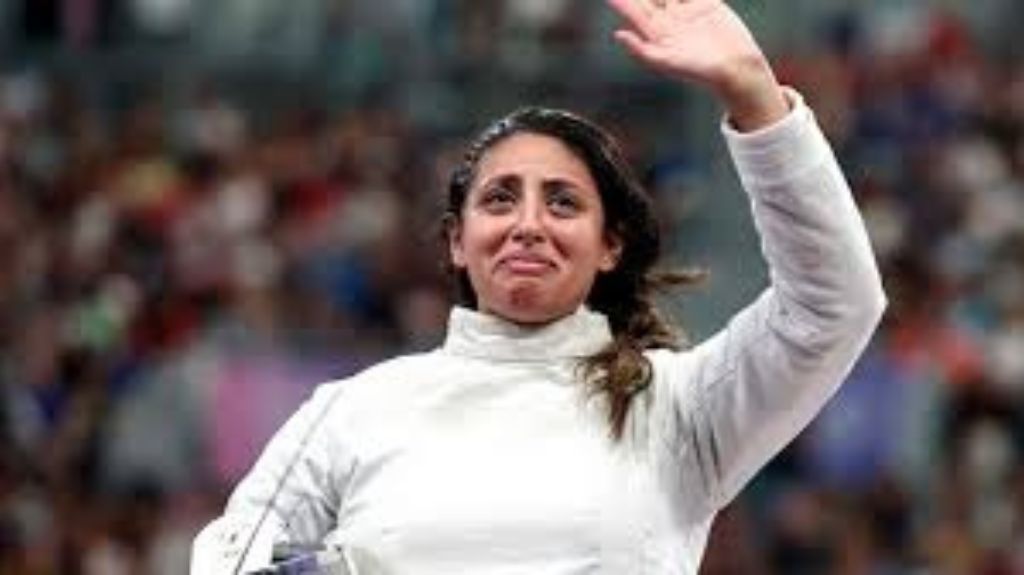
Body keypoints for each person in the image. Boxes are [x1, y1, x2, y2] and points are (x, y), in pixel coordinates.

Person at [191, 0, 887, 572]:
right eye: (500, 199)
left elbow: (835, 306)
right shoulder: (351, 411)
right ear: (458, 240)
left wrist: (757, 96)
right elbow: (229, 558)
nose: (528, 224)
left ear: (609, 245)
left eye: (562, 202)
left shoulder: (677, 409)